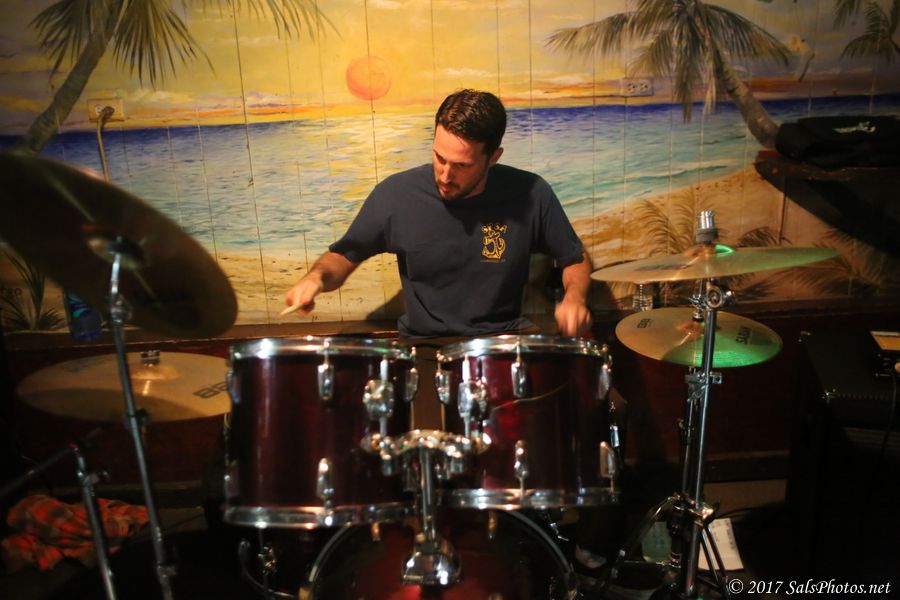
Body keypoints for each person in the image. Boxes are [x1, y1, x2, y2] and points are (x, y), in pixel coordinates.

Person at [284, 89, 592, 427]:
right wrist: (315, 278)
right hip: (427, 349)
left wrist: (575, 297)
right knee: (428, 438)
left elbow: (573, 258)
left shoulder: (531, 193)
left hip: (503, 341)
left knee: (558, 419)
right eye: (439, 158)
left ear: (493, 157)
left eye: (461, 165)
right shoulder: (396, 195)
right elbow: (343, 257)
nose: (445, 175)